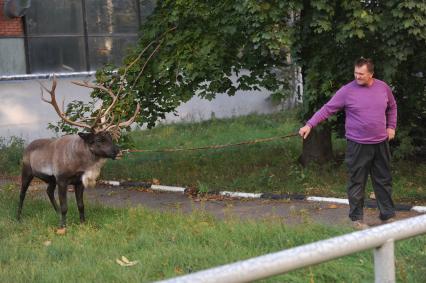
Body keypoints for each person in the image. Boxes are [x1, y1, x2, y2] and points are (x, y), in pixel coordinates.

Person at [299, 57, 397, 229]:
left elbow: (392, 107)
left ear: (371, 74)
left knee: (383, 180)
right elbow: (327, 108)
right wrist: (309, 124)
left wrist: (391, 127)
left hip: (380, 143)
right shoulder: (347, 91)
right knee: (357, 181)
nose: (357, 76)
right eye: (355, 73)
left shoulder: (383, 88)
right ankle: (356, 219)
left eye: (361, 74)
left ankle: (387, 215)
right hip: (357, 145)